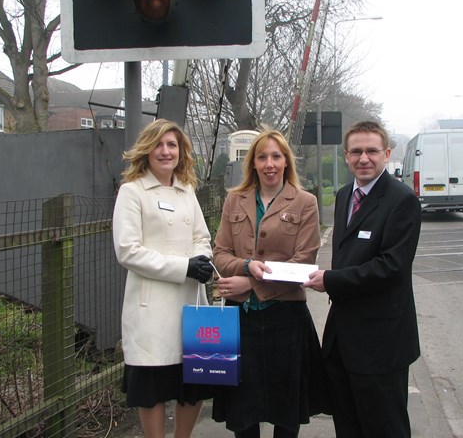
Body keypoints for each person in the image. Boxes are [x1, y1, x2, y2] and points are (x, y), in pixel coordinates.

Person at [304, 120, 422, 438]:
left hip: (382, 343)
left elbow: (391, 268)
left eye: (371, 151)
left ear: (386, 153)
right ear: (346, 156)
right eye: (356, 151)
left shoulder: (402, 201)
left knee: (385, 428)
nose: (364, 158)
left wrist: (331, 280)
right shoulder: (344, 196)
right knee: (348, 426)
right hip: (343, 340)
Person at [212, 128, 328, 438]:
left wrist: (249, 284)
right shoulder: (235, 200)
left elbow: (302, 263)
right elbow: (220, 253)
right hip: (241, 320)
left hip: (285, 319)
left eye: (276, 156)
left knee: (285, 411)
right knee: (242, 411)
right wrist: (247, 264)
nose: (269, 164)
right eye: (262, 157)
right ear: (253, 163)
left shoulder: (305, 202)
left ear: (287, 162)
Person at [112, 119, 214, 438]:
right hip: (151, 308)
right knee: (152, 388)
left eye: (172, 145)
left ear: (180, 152)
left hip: (190, 304)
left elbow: (203, 237)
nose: (166, 151)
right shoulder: (132, 192)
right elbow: (128, 251)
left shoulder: (186, 191)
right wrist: (183, 267)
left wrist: (203, 259)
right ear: (146, 149)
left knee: (192, 383)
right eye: (159, 144)